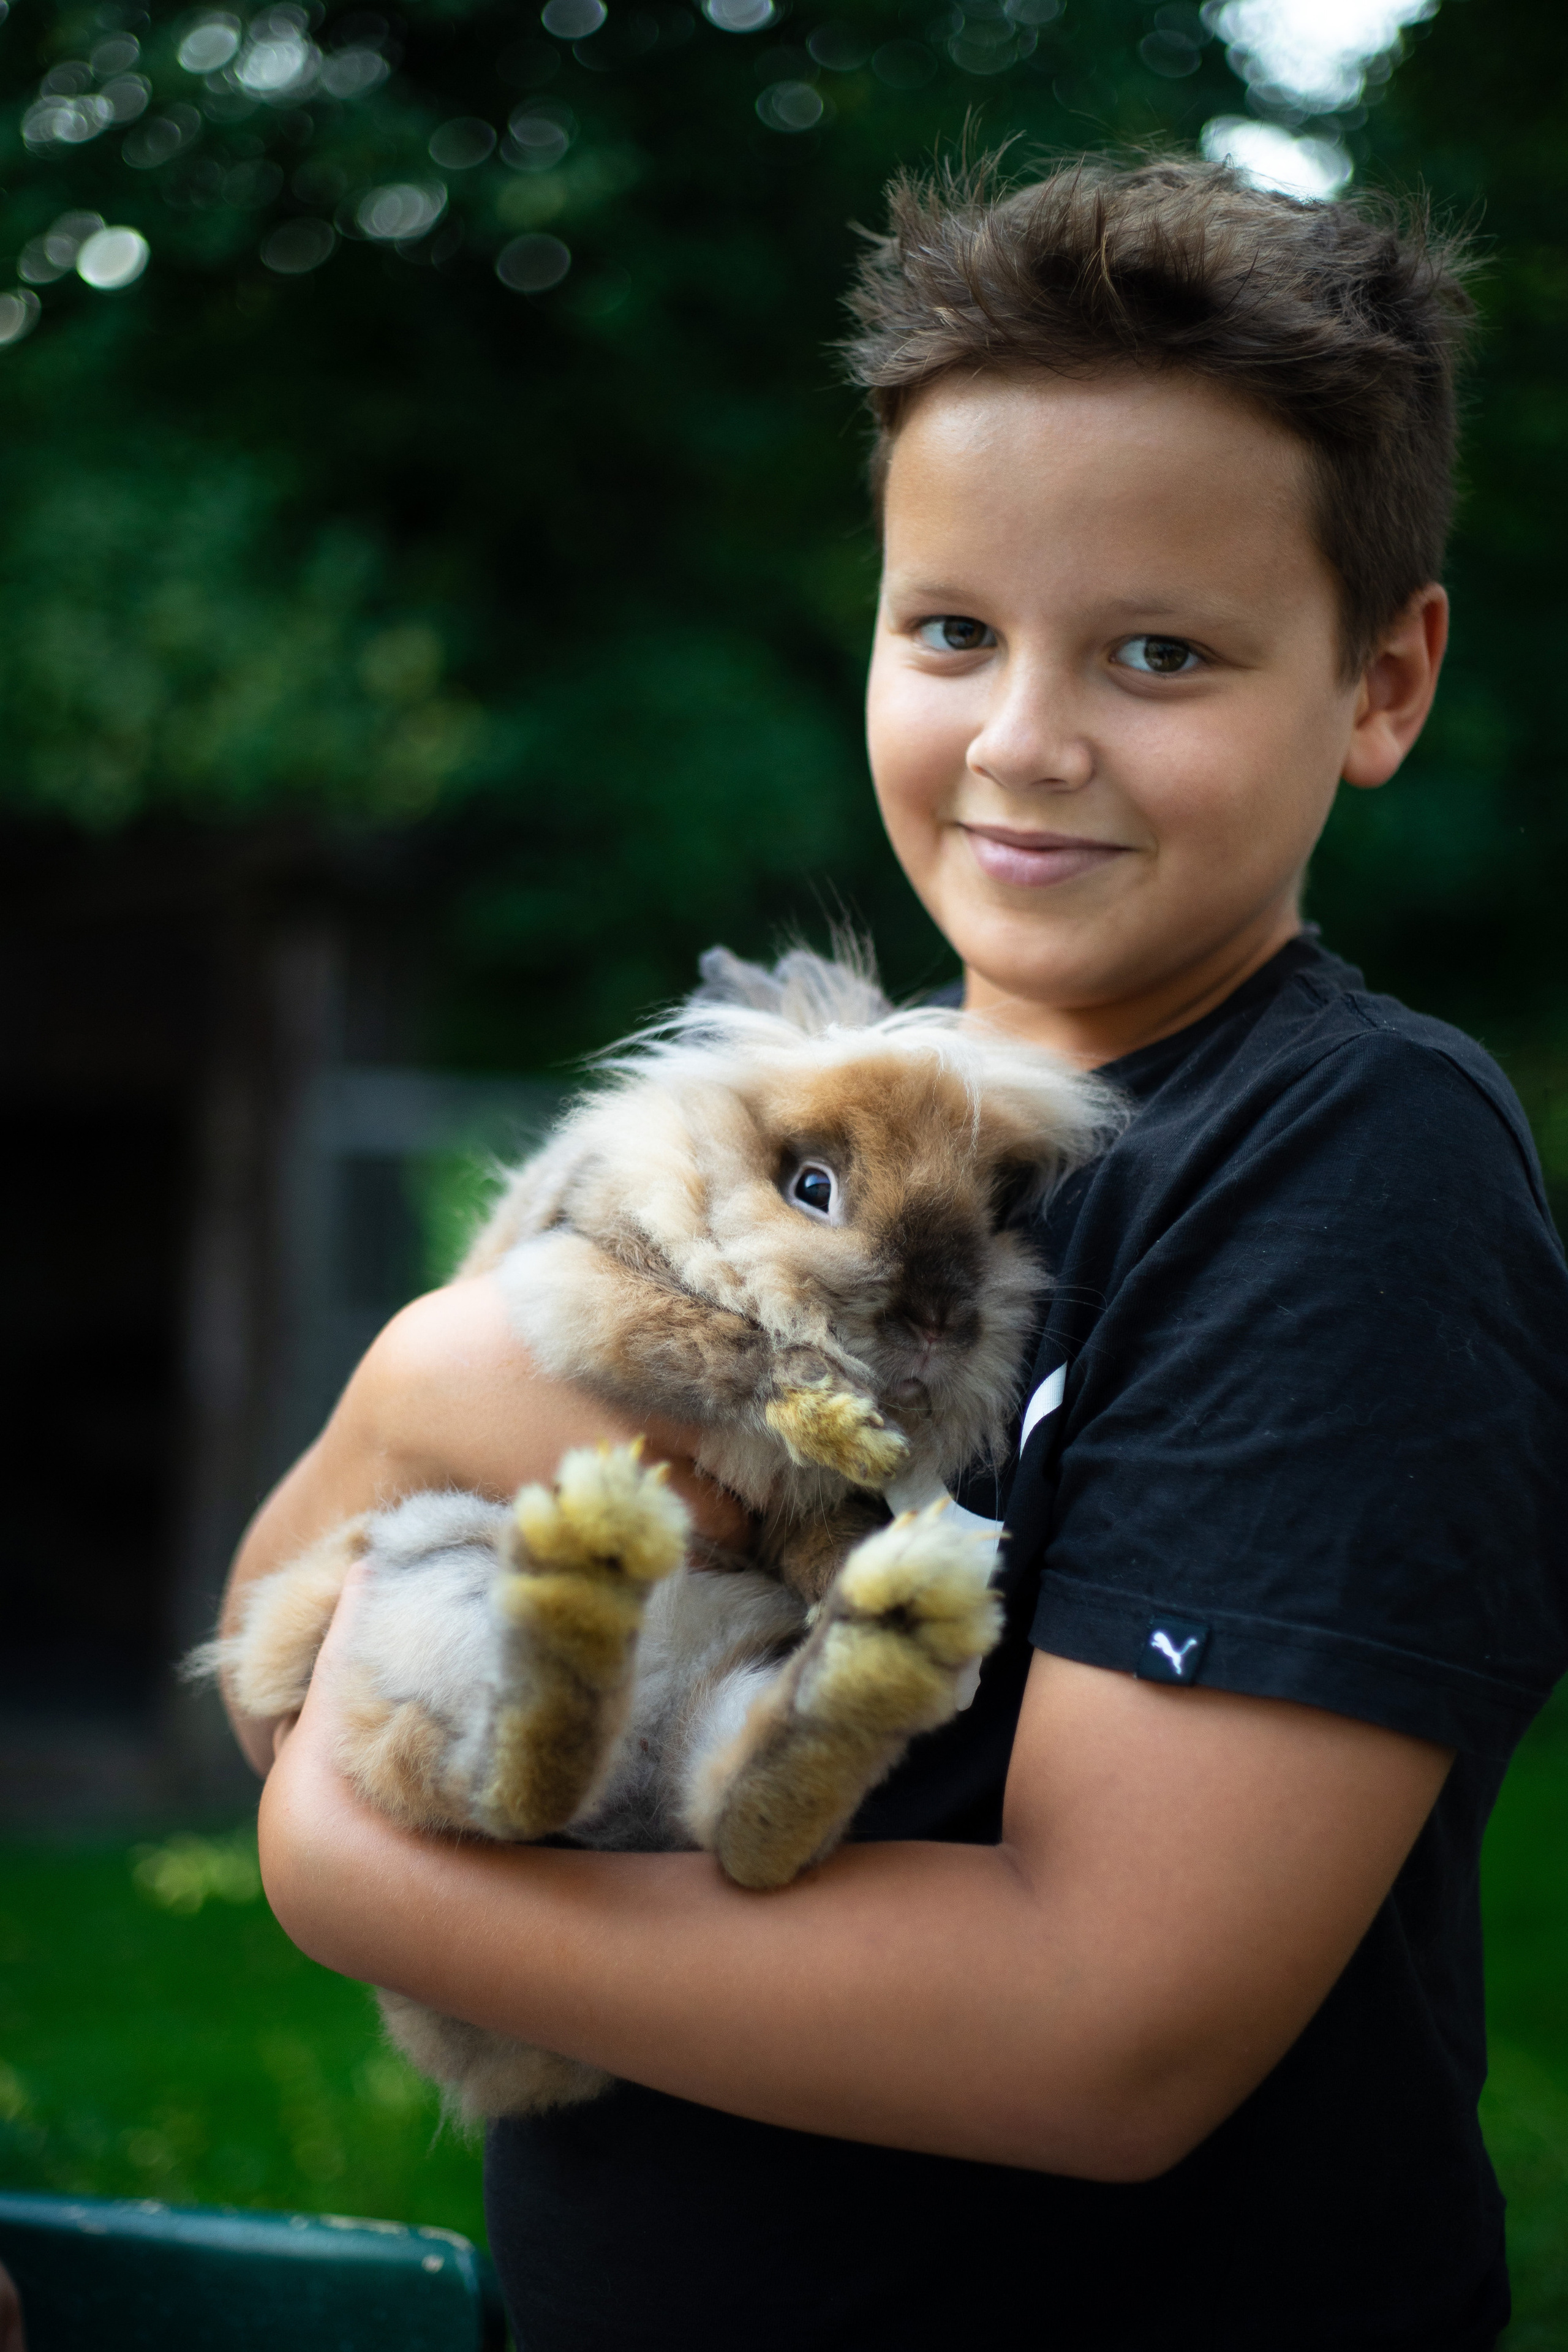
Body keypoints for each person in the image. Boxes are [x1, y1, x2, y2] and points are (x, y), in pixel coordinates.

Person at [232, 159, 1568, 2350]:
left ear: (1382, 682)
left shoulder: (1346, 1165)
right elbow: (296, 1631)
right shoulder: (810, 1091)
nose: (1025, 740)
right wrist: (411, 1393)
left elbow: (1103, 2028)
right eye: (951, 630)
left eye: (1161, 653)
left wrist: (354, 1878)